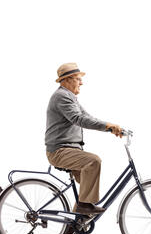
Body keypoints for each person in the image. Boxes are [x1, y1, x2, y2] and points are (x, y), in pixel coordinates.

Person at [45, 62, 123, 215]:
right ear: (67, 79)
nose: (82, 82)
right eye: (78, 78)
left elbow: (86, 116)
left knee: (89, 186)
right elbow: (78, 119)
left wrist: (110, 128)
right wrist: (108, 126)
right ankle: (83, 207)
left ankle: (76, 222)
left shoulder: (70, 97)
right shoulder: (62, 96)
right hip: (60, 151)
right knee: (93, 161)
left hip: (70, 150)